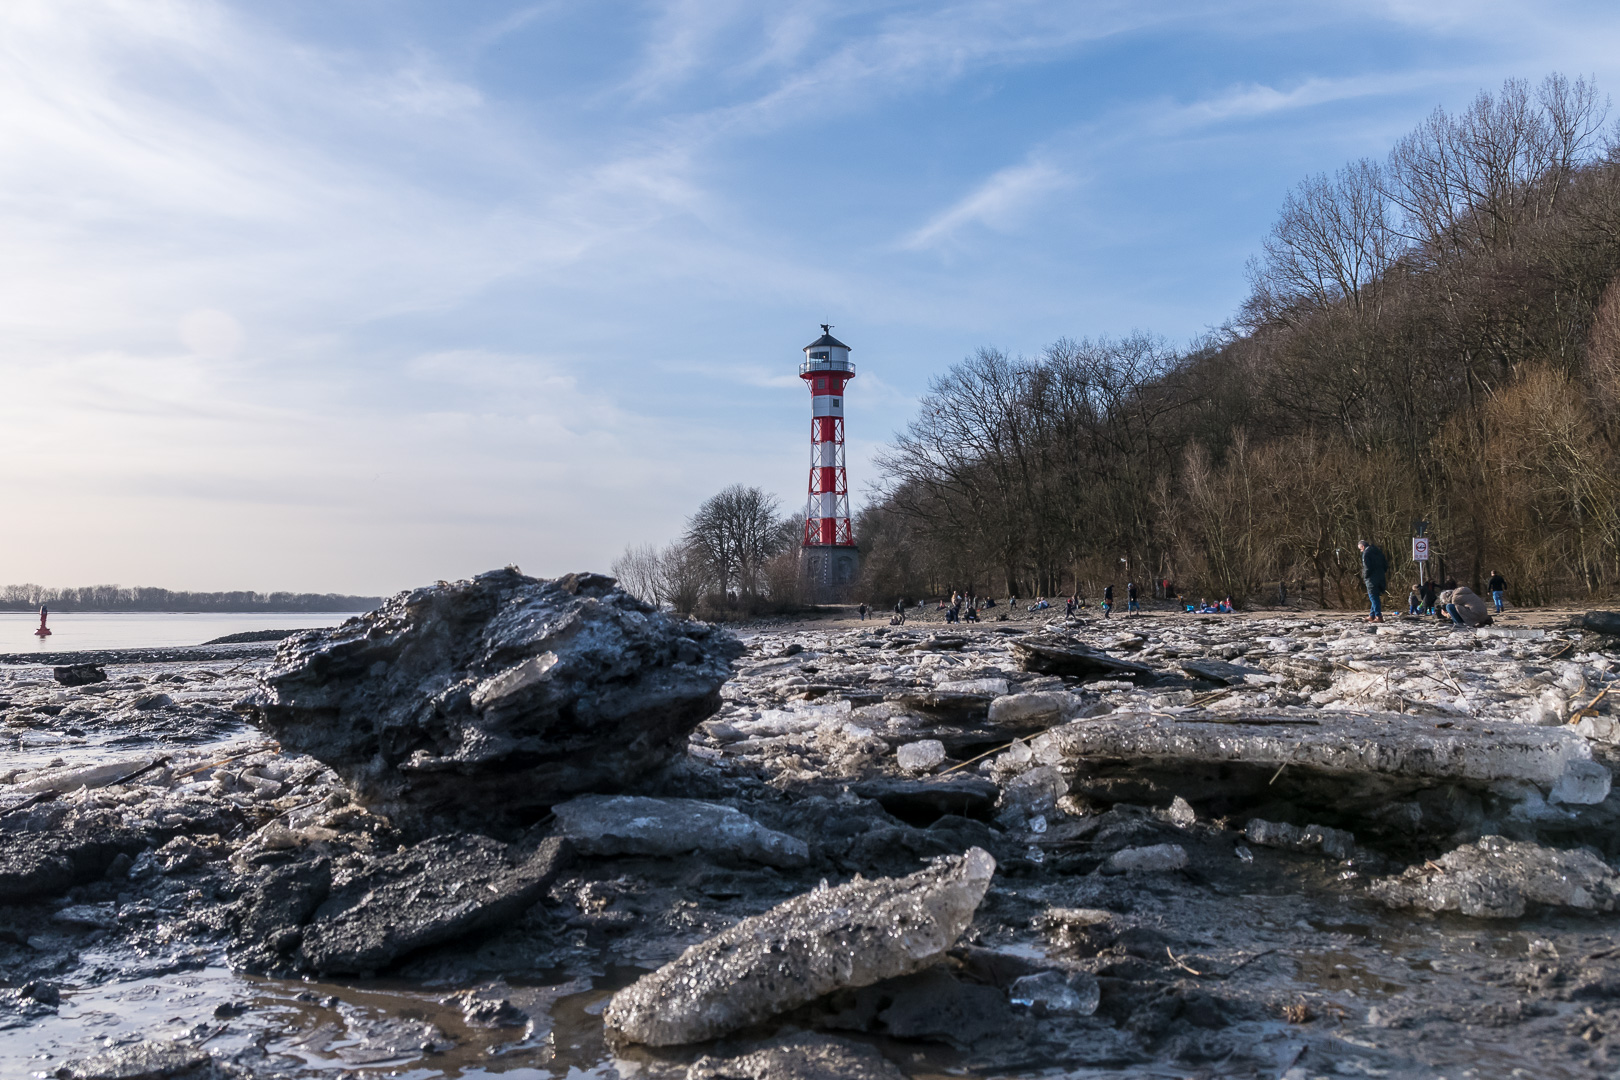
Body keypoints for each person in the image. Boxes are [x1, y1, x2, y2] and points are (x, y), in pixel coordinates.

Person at [1358, 539, 1388, 623]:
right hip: (1381, 577)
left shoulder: (1366, 553)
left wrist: (1365, 577)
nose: (1361, 551)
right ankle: (1372, 615)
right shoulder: (1378, 552)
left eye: (1360, 549)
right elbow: (1386, 565)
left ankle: (1378, 616)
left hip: (1371, 578)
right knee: (1375, 596)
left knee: (1373, 597)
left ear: (1363, 547)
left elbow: (1367, 567)